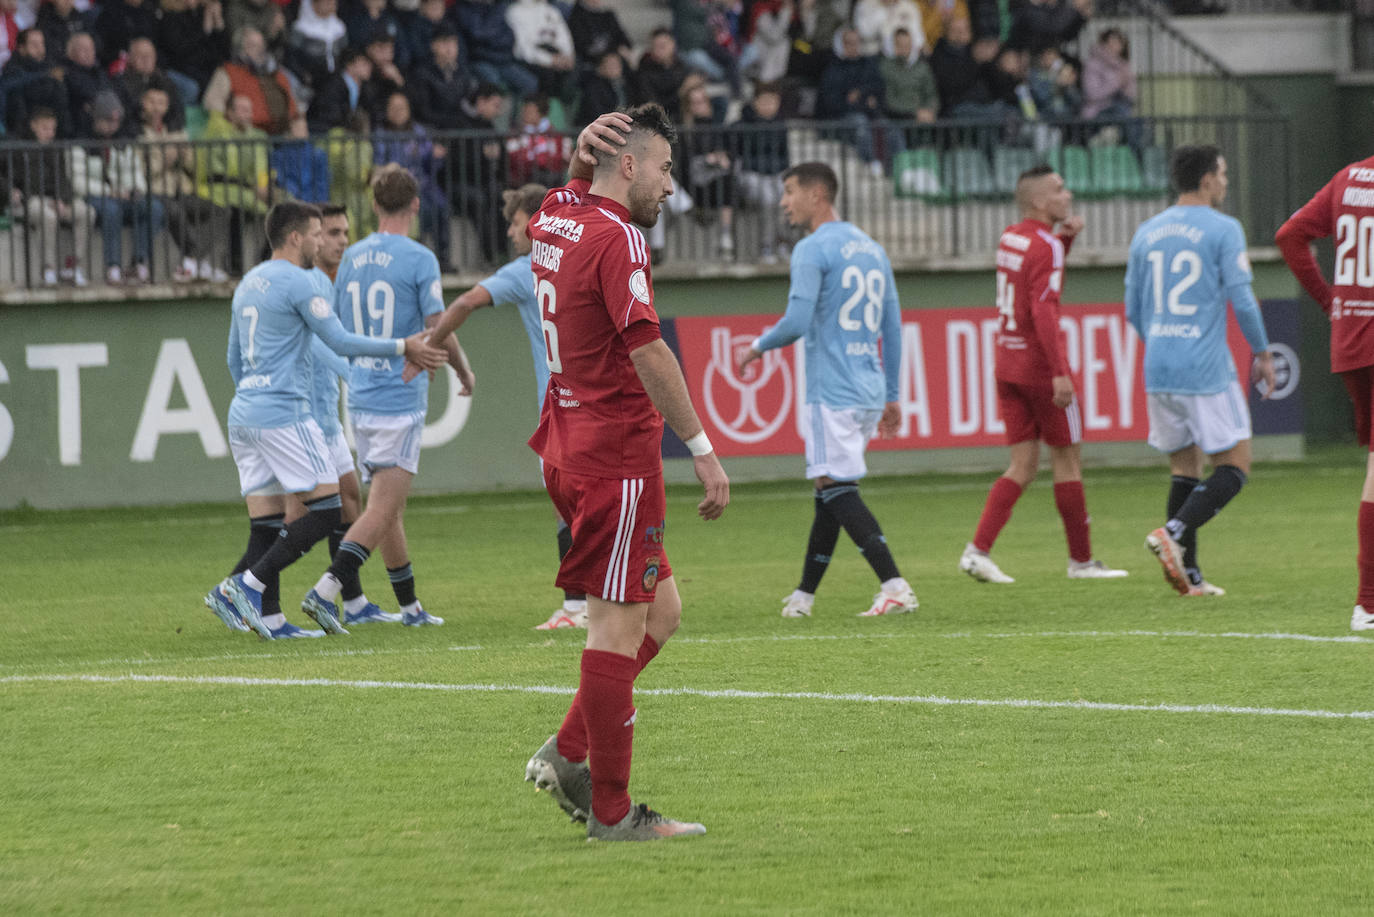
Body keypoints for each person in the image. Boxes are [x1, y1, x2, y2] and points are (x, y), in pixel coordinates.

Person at [520, 106, 729, 842]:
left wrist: (578, 163)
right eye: (666, 168)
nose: (672, 184)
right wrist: (700, 443)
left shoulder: (556, 213)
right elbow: (648, 349)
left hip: (568, 444)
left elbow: (565, 198)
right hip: (614, 458)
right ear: (631, 164)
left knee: (660, 614)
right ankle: (611, 811)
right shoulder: (618, 237)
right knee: (612, 633)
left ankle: (569, 750)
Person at [205, 201, 446, 639]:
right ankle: (244, 585)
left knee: (268, 521)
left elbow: (232, 357)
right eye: (317, 233)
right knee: (327, 508)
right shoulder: (299, 283)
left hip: (244, 413)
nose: (323, 241)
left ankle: (273, 618)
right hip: (283, 412)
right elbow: (338, 339)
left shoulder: (249, 282)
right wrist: (402, 347)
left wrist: (252, 393)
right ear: (296, 237)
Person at [736, 161, 918, 618]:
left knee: (835, 487)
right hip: (868, 386)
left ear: (818, 195)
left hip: (831, 389)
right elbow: (892, 328)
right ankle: (804, 596)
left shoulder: (813, 249)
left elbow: (797, 322)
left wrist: (757, 347)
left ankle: (894, 584)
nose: (784, 202)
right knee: (829, 490)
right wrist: (892, 392)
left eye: (790, 191)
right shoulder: (873, 249)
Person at [300, 165, 474, 630]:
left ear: (375, 206)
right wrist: (462, 368)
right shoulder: (419, 258)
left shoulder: (350, 257)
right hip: (399, 395)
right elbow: (440, 324)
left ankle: (410, 607)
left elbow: (337, 328)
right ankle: (326, 590)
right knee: (382, 509)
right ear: (415, 206)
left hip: (359, 395)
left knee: (388, 507)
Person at [423, 182, 590, 629]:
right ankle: (613, 596)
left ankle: (577, 606)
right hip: (597, 400)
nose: (512, 233)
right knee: (596, 503)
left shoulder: (527, 268)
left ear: (535, 222)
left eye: (516, 223)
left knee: (567, 505)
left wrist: (430, 345)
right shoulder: (581, 255)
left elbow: (464, 302)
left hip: (559, 406)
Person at [958, 165, 1128, 584]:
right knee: (1068, 460)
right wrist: (1060, 372)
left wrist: (1064, 240)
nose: (1067, 195)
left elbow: (1034, 280)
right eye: (1058, 190)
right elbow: (1043, 307)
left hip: (1007, 362)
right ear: (1039, 201)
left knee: (1022, 465)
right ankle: (1082, 562)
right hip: (1037, 368)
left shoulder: (1011, 237)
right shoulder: (1046, 245)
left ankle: (977, 551)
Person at [1126, 145, 1275, 597]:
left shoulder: (1146, 232)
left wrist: (1162, 344)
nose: (1225, 182)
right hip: (1204, 367)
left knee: (1184, 467)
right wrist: (1263, 352)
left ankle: (1188, 576)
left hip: (1159, 365)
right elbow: (1244, 299)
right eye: (1224, 173)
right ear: (1208, 179)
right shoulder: (1224, 229)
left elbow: (1133, 310)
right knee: (1235, 466)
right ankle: (1172, 533)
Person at [1275, 149, 1374, 629]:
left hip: (1353, 342)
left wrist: (1333, 304)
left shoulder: (1348, 177)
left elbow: (1289, 236)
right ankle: (1368, 604)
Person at [288, 203, 400, 626]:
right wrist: (354, 374)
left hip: (324, 410)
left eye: (344, 232)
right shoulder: (308, 282)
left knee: (347, 499)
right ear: (311, 237)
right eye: (331, 232)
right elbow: (320, 343)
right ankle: (247, 586)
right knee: (305, 513)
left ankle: (351, 603)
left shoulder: (333, 280)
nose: (340, 241)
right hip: (305, 411)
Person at [70, 91, 163, 284]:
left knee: (153, 207)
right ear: (95, 119)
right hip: (93, 197)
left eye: (116, 122)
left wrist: (136, 189)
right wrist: (111, 192)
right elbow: (78, 183)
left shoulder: (123, 143)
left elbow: (135, 173)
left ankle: (138, 262)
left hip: (123, 196)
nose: (113, 126)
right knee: (111, 210)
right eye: (107, 121)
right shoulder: (79, 143)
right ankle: (113, 266)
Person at [2, 105, 93, 286]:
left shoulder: (55, 148)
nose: (50, 133)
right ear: (33, 126)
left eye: (53, 129)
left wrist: (62, 199)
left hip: (54, 199)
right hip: (27, 200)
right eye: (45, 128)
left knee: (86, 212)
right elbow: (8, 177)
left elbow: (63, 180)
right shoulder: (17, 147)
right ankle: (48, 268)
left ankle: (73, 266)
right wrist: (12, 191)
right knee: (47, 216)